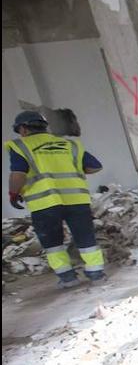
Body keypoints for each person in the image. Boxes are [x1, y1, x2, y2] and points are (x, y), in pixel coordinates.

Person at [6, 110, 106, 287]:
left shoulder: (20, 146)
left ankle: (68, 278)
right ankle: (96, 273)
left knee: (52, 242)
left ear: (22, 129)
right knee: (85, 236)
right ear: (45, 127)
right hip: (77, 200)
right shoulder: (69, 144)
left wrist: (14, 194)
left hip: (44, 203)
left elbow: (18, 174)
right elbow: (94, 167)